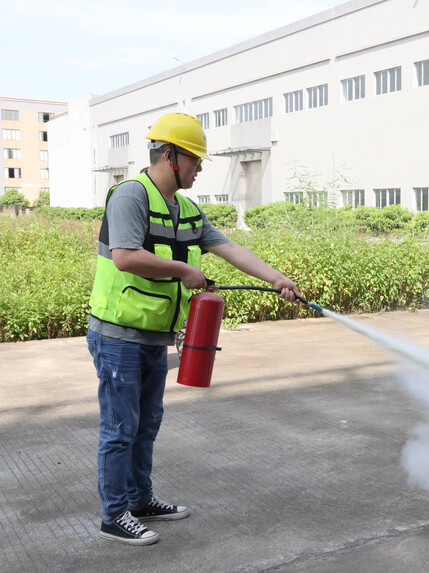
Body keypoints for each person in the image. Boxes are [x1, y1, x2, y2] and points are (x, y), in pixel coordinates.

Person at [86, 112, 301, 546]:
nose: (200, 167)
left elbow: (230, 248)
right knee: (120, 428)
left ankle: (140, 500)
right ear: (171, 156)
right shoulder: (131, 196)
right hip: (118, 334)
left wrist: (276, 278)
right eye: (196, 159)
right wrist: (183, 269)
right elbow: (126, 256)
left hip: (153, 336)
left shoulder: (185, 209)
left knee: (147, 423)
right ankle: (114, 515)